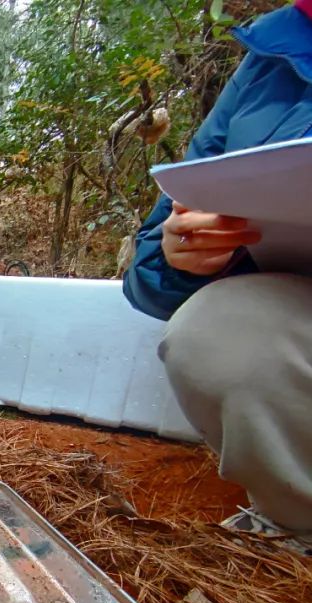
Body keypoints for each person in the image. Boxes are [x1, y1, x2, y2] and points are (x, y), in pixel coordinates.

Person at [124, 0, 312, 547]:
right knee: (218, 331)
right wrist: (187, 254)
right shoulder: (271, 58)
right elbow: (153, 262)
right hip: (293, 310)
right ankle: (296, 525)